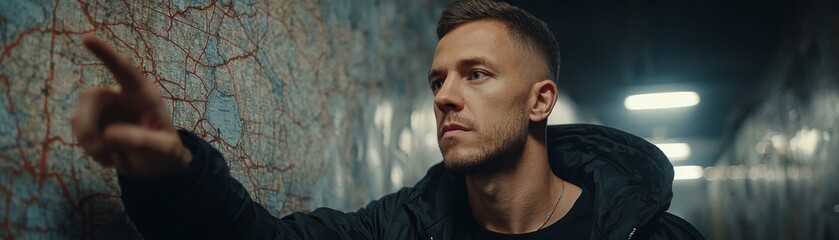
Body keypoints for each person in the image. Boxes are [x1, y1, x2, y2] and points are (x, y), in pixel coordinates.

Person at [72, 0, 704, 239]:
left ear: (541, 101)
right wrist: (171, 171)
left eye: (476, 74)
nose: (445, 97)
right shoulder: (400, 227)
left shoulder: (646, 234)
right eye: (438, 80)